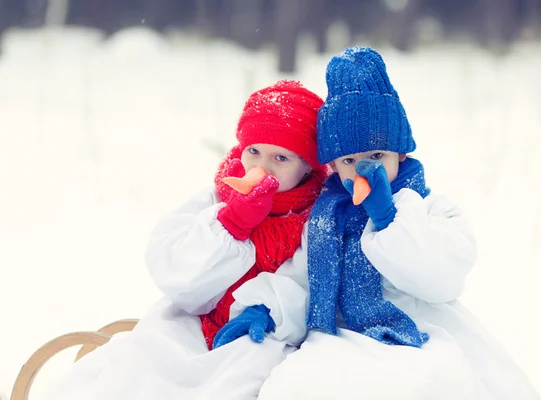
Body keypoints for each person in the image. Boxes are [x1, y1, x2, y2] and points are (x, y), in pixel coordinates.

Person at [256, 48, 540, 400]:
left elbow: (443, 279)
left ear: (400, 153)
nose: (364, 169)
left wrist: (390, 221)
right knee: (298, 386)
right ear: (332, 166)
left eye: (376, 156)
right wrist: (265, 309)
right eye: (349, 160)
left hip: (417, 330)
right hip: (336, 335)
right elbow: (301, 277)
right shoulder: (325, 218)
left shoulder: (430, 208)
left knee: (425, 384)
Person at [41, 80, 328, 400]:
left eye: (281, 158)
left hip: (261, 330)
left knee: (240, 381)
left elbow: (307, 279)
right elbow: (174, 265)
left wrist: (266, 309)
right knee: (143, 361)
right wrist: (232, 223)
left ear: (307, 167)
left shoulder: (311, 216)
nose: (261, 167)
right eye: (254, 151)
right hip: (194, 316)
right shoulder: (219, 196)